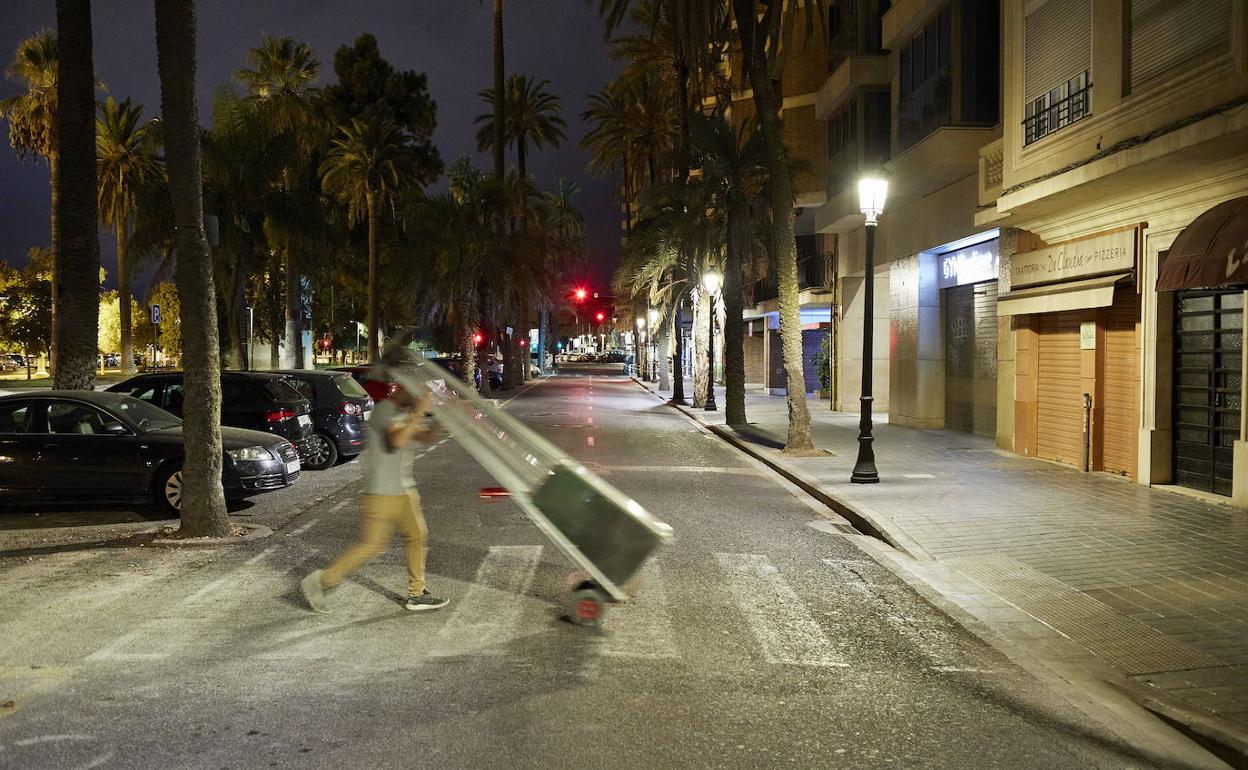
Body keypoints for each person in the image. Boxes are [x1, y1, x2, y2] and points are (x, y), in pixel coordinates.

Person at [300, 384, 449, 613]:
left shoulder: (404, 414)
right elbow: (396, 441)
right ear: (402, 389)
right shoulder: (384, 410)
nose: (420, 396)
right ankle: (321, 582)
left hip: (403, 490)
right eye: (417, 392)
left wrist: (443, 416)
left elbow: (426, 436)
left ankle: (417, 594)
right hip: (382, 492)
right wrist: (419, 411)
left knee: (418, 537)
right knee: (373, 545)